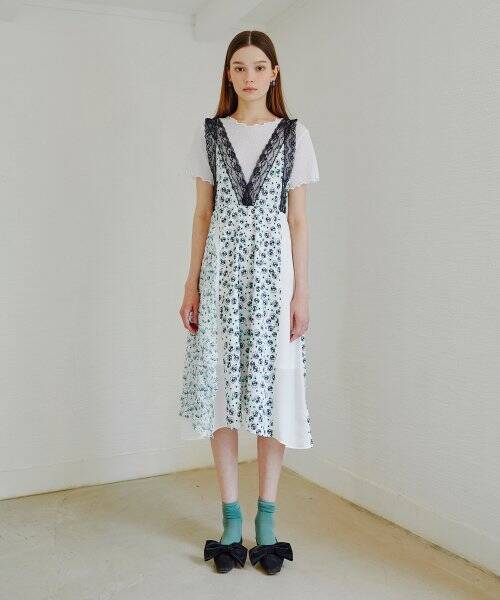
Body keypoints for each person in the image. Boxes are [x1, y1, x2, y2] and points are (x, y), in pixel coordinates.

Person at [178, 30, 319, 575]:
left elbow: (299, 221)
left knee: (270, 392)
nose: (250, 76)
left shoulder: (294, 135)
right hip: (220, 278)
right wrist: (191, 283)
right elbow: (202, 214)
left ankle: (267, 519)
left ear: (274, 72)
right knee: (220, 390)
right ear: (228, 74)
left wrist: (301, 292)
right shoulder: (210, 134)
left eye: (259, 66)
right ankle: (230, 519)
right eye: (240, 67)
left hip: (273, 283)